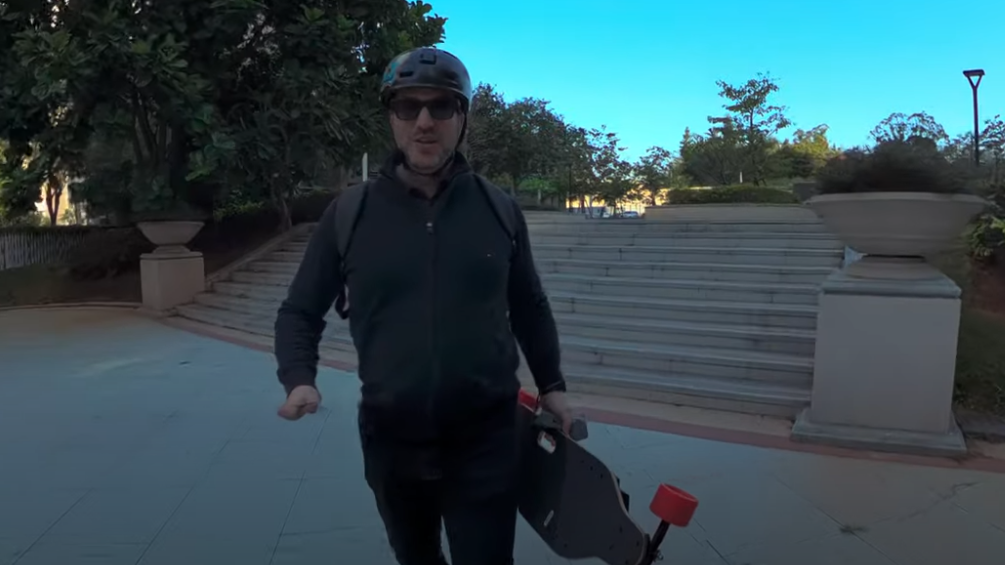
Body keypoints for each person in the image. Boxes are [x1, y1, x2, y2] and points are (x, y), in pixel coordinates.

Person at [273, 46, 572, 565]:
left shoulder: (498, 209)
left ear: (463, 117)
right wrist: (299, 377)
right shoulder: (350, 213)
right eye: (408, 107)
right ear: (392, 117)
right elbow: (299, 310)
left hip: (486, 441)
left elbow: (530, 305)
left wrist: (554, 387)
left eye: (442, 107)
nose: (425, 122)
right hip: (393, 443)